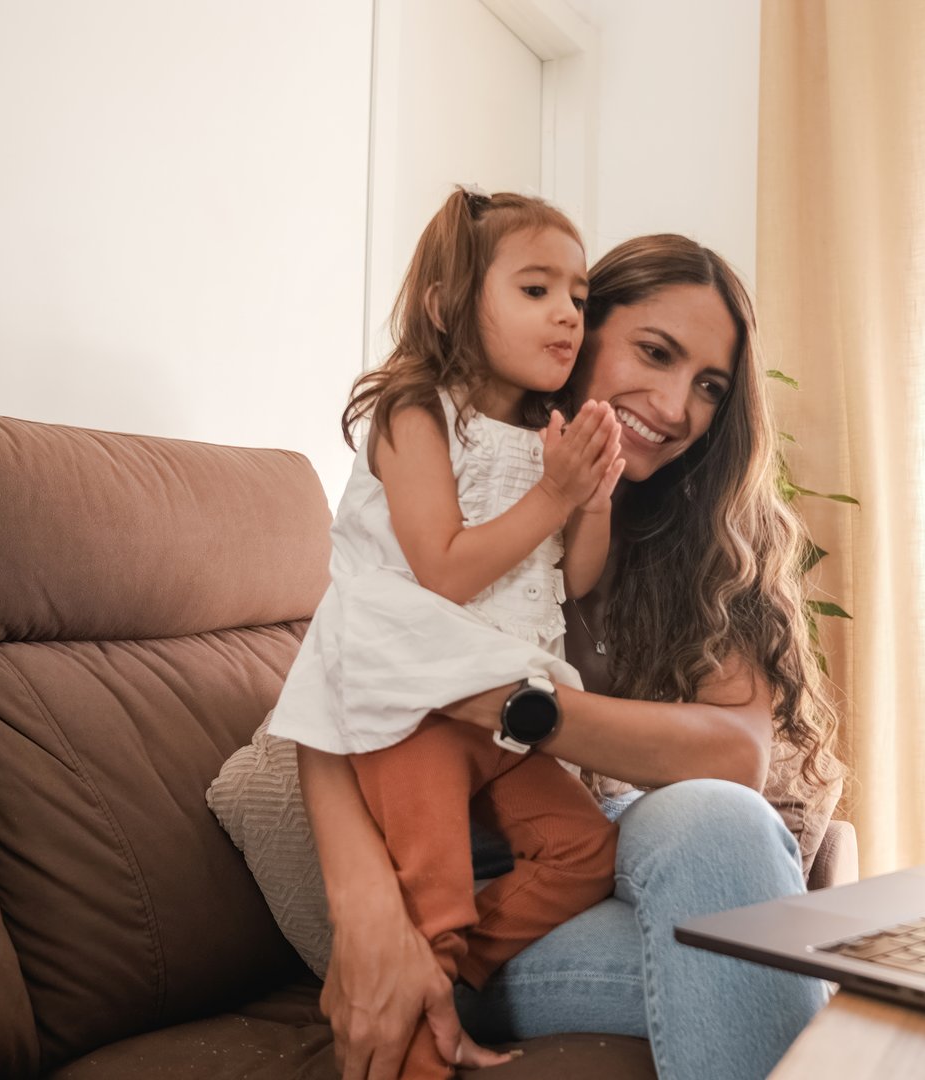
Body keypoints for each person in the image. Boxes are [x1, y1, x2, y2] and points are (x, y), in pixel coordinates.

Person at [296, 233, 846, 1080]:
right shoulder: (454, 454)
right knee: (804, 974)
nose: (673, 407)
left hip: (578, 841)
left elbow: (737, 753)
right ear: (577, 335)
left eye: (709, 387)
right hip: (446, 869)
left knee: (723, 820)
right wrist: (369, 912)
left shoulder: (705, 534)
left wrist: (523, 705)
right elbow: (339, 670)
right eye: (654, 353)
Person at [267, 187, 632, 1079]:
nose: (567, 316)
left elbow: (573, 582)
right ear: (449, 304)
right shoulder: (414, 412)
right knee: (437, 891)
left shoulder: (542, 431)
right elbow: (442, 568)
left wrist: (594, 499)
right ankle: (424, 1031)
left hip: (501, 693)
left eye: (579, 297)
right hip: (411, 698)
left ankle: (439, 978)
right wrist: (553, 494)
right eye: (537, 290)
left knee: (588, 851)